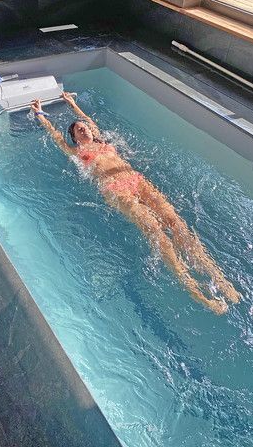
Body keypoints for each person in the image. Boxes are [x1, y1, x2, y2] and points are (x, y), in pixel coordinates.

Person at [31, 94, 241, 314]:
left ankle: (220, 280)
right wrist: (39, 113)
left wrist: (72, 104)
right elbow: (55, 136)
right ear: (74, 137)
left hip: (137, 181)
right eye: (78, 130)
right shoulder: (77, 152)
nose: (84, 130)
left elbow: (89, 120)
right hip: (116, 191)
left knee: (175, 222)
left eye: (85, 128)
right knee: (156, 231)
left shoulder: (103, 141)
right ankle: (197, 291)